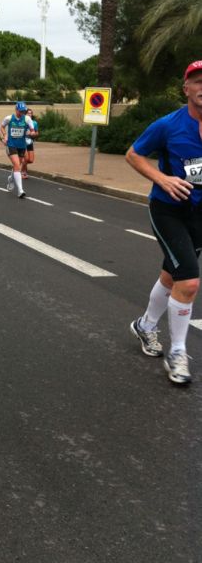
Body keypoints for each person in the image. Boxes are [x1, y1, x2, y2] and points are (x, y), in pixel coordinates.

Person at [126, 60, 202, 386]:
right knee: (190, 281)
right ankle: (178, 352)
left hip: (199, 214)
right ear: (186, 89)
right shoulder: (168, 125)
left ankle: (145, 325)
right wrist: (162, 178)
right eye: (197, 81)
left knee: (172, 275)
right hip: (168, 210)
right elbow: (133, 154)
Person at [1, 101, 35, 199]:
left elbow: (32, 131)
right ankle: (20, 190)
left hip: (22, 146)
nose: (21, 113)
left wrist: (31, 133)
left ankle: (11, 178)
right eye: (20, 111)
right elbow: (2, 127)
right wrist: (5, 135)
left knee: (17, 166)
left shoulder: (27, 119)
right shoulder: (9, 118)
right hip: (11, 145)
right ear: (16, 110)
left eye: (23, 111)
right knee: (16, 165)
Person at [22, 108, 39, 178]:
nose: (29, 114)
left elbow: (37, 133)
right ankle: (23, 172)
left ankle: (21, 165)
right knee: (26, 159)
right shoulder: (22, 122)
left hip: (30, 142)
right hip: (23, 142)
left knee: (31, 160)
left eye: (30, 113)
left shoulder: (34, 123)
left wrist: (33, 134)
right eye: (28, 113)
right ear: (25, 114)